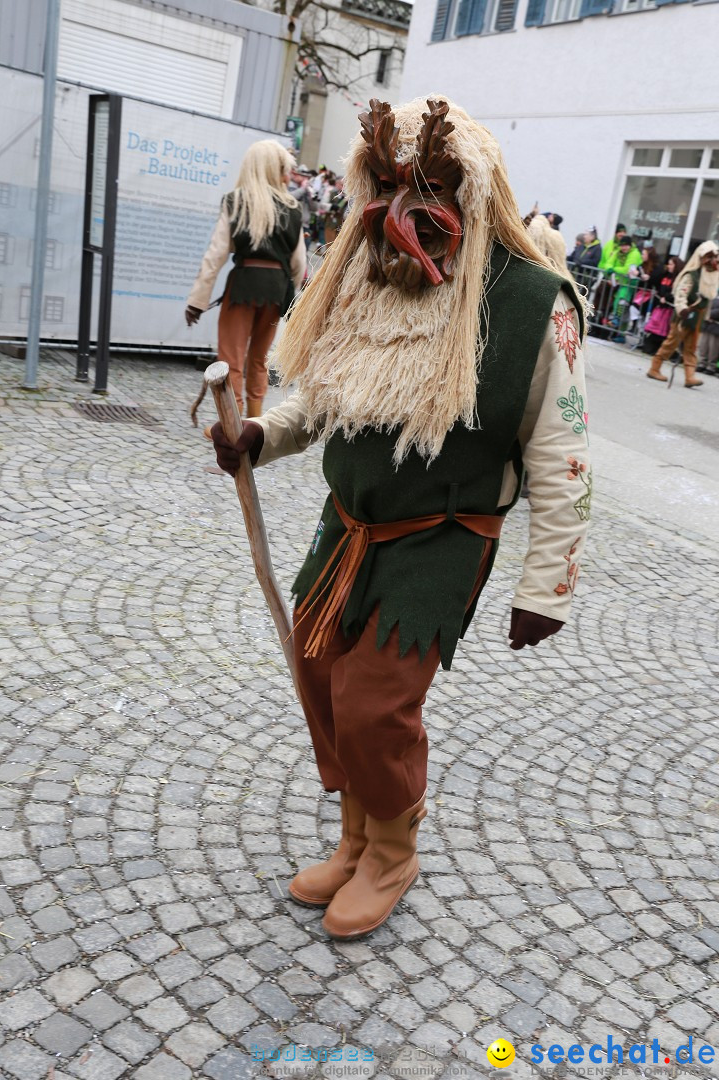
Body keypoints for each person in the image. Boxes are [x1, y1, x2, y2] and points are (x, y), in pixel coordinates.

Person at [209, 96, 590, 940]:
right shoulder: (364, 269)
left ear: (475, 194)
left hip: (442, 538)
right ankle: (355, 839)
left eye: (430, 185)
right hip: (345, 526)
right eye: (386, 182)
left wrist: (548, 586)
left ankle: (393, 852)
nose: (403, 205)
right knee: (319, 677)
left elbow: (563, 455)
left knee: (377, 704)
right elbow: (327, 398)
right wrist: (259, 435)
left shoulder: (536, 302)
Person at [186, 140, 306, 417]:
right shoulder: (292, 207)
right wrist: (288, 292)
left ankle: (232, 427)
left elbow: (215, 256)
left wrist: (197, 301)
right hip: (277, 291)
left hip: (242, 286)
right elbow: (298, 263)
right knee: (259, 360)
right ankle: (254, 422)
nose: (287, 175)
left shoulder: (236, 201)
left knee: (230, 360)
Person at [647, 240, 719, 386]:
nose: (711, 260)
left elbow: (709, 296)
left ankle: (689, 376)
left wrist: (706, 316)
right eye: (708, 257)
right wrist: (682, 308)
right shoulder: (691, 274)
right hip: (685, 316)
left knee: (691, 347)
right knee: (671, 344)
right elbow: (681, 293)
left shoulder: (709, 275)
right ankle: (655, 368)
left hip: (697, 317)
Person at [641, 256, 684, 355]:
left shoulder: (678, 279)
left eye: (671, 264)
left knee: (663, 329)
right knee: (655, 326)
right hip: (660, 306)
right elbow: (656, 282)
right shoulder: (665, 275)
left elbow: (676, 292)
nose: (669, 266)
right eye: (668, 264)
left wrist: (667, 297)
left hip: (669, 308)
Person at [696, 295, 719, 376]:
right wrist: (706, 314)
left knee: (713, 347)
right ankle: (702, 363)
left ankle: (711, 366)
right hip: (707, 324)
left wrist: (710, 314)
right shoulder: (713, 295)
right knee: (704, 344)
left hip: (716, 325)